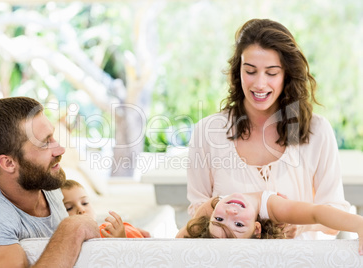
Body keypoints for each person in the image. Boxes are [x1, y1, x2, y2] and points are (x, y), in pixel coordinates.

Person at [186, 18, 350, 240]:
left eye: (271, 73)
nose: (260, 84)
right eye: (250, 71)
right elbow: (196, 216)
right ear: (237, 72)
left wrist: (302, 226)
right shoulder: (208, 132)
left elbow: (335, 216)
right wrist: (230, 204)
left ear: (287, 75)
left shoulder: (316, 131)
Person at [0, 97, 100, 267]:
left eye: (53, 137)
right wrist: (73, 228)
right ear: (8, 163)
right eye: (44, 143)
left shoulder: (47, 184)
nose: (60, 149)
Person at [177, 191, 363, 255]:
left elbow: (176, 245)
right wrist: (357, 224)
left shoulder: (212, 208)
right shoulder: (274, 207)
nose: (230, 212)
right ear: (256, 228)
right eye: (239, 225)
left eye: (218, 220)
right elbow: (316, 213)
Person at [61, 179, 149, 238]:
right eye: (69, 208)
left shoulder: (108, 229)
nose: (81, 209)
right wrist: (122, 242)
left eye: (85, 203)